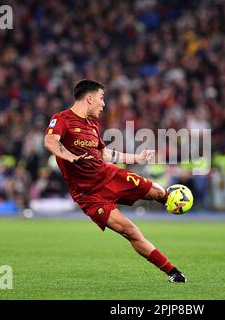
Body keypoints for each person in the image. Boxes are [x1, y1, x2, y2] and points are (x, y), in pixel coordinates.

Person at [44, 79, 187, 283]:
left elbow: (105, 154)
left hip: (108, 175)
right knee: (129, 231)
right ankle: (173, 273)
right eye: (102, 98)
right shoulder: (62, 119)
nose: (103, 104)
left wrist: (136, 158)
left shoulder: (91, 124)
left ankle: (173, 203)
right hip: (88, 195)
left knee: (156, 191)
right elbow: (50, 141)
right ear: (90, 98)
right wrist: (69, 157)